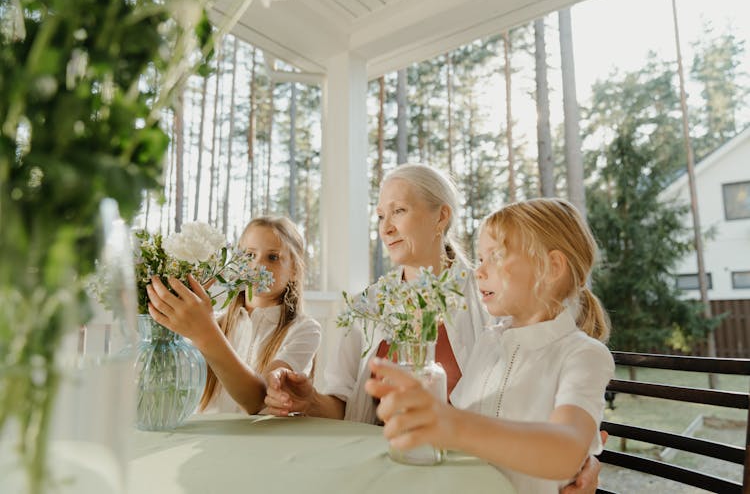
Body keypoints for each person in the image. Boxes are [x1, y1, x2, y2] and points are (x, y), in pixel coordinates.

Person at [366, 198, 615, 494]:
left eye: (495, 256)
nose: (479, 271)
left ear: (551, 267)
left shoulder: (583, 355)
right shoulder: (488, 342)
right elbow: (457, 417)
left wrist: (453, 425)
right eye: (480, 259)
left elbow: (566, 451)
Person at [264, 163, 487, 423]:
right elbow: (342, 406)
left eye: (399, 211)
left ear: (441, 216)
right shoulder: (367, 305)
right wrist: (309, 401)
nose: (386, 228)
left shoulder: (486, 298)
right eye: (381, 216)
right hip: (383, 455)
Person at [146, 215, 321, 414]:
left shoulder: (304, 329)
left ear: (295, 271)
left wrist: (205, 332)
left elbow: (261, 400)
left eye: (273, 257)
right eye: (249, 256)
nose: (257, 266)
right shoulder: (215, 321)